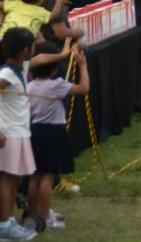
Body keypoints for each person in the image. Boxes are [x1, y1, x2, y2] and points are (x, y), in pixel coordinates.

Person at [26, 43, 88, 231]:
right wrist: (83, 65)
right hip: (53, 132)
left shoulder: (27, 86)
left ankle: (33, 213)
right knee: (48, 176)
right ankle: (45, 217)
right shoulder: (57, 85)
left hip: (34, 131)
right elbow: (84, 88)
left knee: (35, 175)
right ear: (53, 70)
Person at [0, 27, 37, 240]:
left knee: (14, 179)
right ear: (25, 50)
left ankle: (9, 220)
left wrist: (64, 54)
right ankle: (4, 226)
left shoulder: (19, 68)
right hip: (9, 134)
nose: (34, 49)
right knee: (7, 179)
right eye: (32, 46)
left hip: (20, 132)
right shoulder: (5, 74)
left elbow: (40, 58)